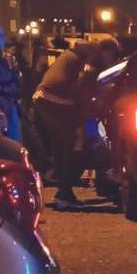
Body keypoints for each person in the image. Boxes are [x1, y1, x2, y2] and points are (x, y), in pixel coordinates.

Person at [33, 38, 120, 210]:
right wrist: (80, 128)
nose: (113, 61)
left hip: (46, 101)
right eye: (114, 56)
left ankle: (64, 193)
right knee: (69, 146)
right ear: (107, 52)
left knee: (62, 147)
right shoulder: (93, 58)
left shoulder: (82, 53)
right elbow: (83, 91)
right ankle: (64, 196)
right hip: (53, 103)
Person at [0, 27, 22, 142]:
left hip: (9, 105)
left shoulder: (9, 61)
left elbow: (17, 82)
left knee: (13, 140)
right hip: (4, 105)